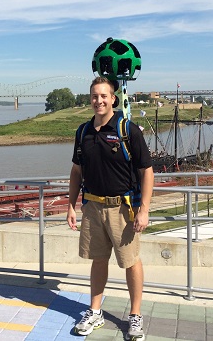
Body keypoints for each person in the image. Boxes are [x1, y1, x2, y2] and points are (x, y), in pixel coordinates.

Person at [67, 77, 154, 340]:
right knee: (98, 259)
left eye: (104, 96)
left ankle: (135, 316)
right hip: (92, 206)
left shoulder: (128, 129)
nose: (99, 101)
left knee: (130, 261)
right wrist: (71, 205)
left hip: (122, 209)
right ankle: (95, 311)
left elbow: (147, 172)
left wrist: (144, 209)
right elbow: (76, 172)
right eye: (94, 96)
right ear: (90, 98)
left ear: (113, 98)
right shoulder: (83, 132)